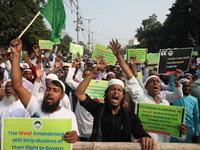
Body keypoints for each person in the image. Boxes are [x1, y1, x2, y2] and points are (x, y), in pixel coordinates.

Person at [108, 39, 188, 143]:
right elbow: (131, 78)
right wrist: (118, 56)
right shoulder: (141, 98)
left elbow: (174, 131)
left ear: (161, 87)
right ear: (145, 87)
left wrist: (182, 131)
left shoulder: (166, 104)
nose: (155, 83)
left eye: (157, 82)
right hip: (142, 146)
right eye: (151, 81)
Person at [10, 38, 79, 143]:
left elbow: (75, 141)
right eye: (49, 89)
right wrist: (16, 54)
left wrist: (75, 138)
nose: (50, 93)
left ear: (62, 96)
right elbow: (17, 86)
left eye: (55, 90)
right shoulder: (35, 106)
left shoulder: (68, 115)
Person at [75, 59, 155, 149]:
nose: (116, 92)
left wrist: (146, 138)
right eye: (112, 89)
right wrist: (92, 73)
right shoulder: (98, 109)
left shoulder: (131, 117)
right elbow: (79, 93)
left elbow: (141, 133)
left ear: (123, 95)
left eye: (119, 90)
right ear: (107, 93)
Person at [171, 78, 199, 143]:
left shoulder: (194, 100)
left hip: (189, 130)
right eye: (184, 86)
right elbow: (172, 83)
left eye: (188, 86)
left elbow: (196, 117)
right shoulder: (175, 97)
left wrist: (196, 133)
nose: (186, 88)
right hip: (175, 128)